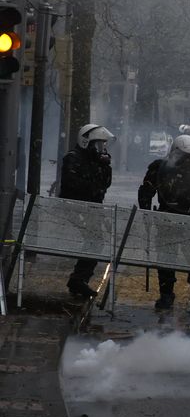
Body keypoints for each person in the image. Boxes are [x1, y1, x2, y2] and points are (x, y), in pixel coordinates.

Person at [139, 134, 190, 310]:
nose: (189, 161)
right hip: (167, 217)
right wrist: (146, 212)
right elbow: (146, 191)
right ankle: (166, 295)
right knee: (166, 258)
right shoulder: (159, 167)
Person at [63, 124, 115, 298]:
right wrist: (93, 188)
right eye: (97, 144)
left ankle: (79, 280)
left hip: (92, 209)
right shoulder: (73, 158)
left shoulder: (96, 161)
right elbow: (72, 182)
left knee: (96, 243)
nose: (100, 149)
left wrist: (106, 166)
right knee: (94, 242)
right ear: (86, 142)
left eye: (103, 145)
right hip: (76, 208)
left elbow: (106, 184)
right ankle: (78, 280)